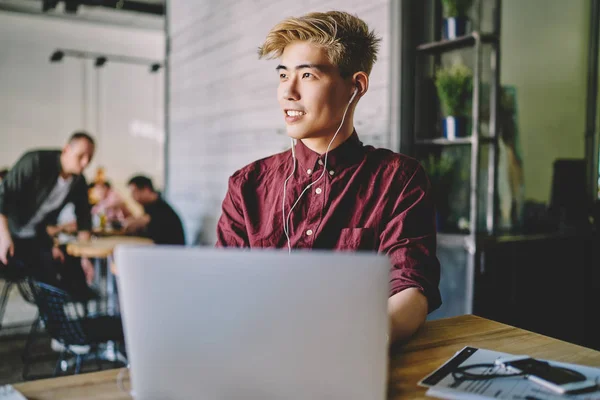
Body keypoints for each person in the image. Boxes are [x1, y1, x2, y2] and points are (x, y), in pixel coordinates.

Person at [216, 11, 441, 343]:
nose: (288, 92)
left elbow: (409, 288)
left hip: (356, 358)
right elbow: (222, 290)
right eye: (283, 75)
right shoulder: (246, 185)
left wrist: (353, 343)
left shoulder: (398, 179)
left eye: (307, 75)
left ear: (356, 86)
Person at [0, 132, 95, 297]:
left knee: (58, 270)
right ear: (66, 149)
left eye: (90, 157)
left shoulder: (79, 182)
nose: (85, 162)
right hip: (6, 232)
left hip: (34, 238)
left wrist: (85, 257)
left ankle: (57, 320)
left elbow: (84, 220)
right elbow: (3, 196)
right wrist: (4, 236)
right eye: (81, 156)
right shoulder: (35, 162)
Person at [123, 175, 185, 245]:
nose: (132, 196)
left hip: (169, 251)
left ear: (146, 189)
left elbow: (142, 221)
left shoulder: (160, 208)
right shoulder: (152, 205)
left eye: (134, 192)